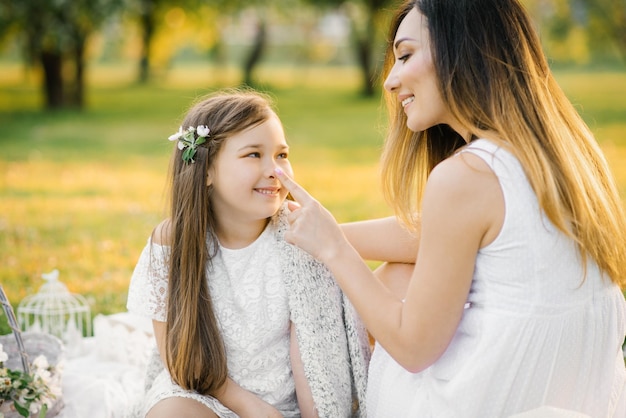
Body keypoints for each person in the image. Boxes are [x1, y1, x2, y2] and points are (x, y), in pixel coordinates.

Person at [272, 0, 626, 416]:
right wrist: (314, 231)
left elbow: (413, 347)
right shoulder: (569, 155)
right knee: (403, 269)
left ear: (462, 48)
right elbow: (434, 237)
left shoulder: (466, 176)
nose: (390, 80)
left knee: (374, 284)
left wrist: (333, 249)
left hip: (479, 404)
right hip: (575, 397)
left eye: (405, 55)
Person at [126, 88, 370, 418]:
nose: (275, 170)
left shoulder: (299, 236)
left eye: (282, 155)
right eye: (254, 155)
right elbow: (178, 357)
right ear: (207, 170)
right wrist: (250, 408)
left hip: (283, 405)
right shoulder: (172, 242)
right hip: (202, 392)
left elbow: (314, 358)